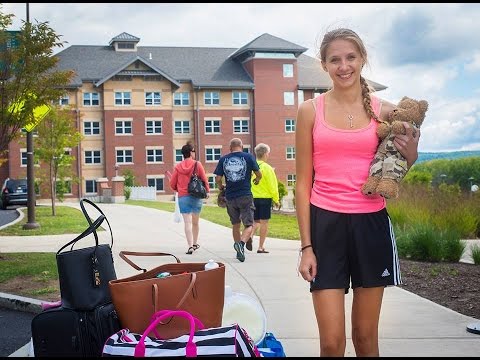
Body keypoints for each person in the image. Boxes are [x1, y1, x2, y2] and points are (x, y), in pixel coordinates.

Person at [295, 28, 421, 357]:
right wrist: (306, 247)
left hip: (371, 227)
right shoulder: (310, 111)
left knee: (365, 339)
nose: (344, 66)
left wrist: (413, 156)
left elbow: (402, 161)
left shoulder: (387, 111)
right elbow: (303, 183)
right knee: (331, 343)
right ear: (324, 65)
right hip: (326, 227)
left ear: (362, 59)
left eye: (351, 57)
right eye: (335, 59)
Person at [214, 138, 262, 262]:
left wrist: (220, 187)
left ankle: (238, 252)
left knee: (235, 225)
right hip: (245, 195)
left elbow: (218, 178)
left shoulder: (223, 159)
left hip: (230, 197)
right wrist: (257, 180)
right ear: (241, 146)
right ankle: (240, 245)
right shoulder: (249, 157)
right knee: (249, 225)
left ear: (230, 148)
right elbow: (259, 174)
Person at [169, 143, 210, 254]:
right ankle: (195, 243)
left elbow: (172, 183)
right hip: (196, 196)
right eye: (194, 151)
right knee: (195, 222)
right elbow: (204, 179)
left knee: (187, 222)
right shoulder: (197, 164)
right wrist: (208, 191)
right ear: (191, 152)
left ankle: (190, 246)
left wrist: (178, 189)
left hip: (183, 196)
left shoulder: (178, 167)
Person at [250, 143, 279, 254]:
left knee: (255, 221)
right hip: (265, 199)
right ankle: (260, 247)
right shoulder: (267, 168)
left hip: (252, 198)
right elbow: (273, 185)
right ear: (266, 154)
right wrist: (276, 199)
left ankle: (251, 236)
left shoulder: (251, 168)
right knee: (264, 222)